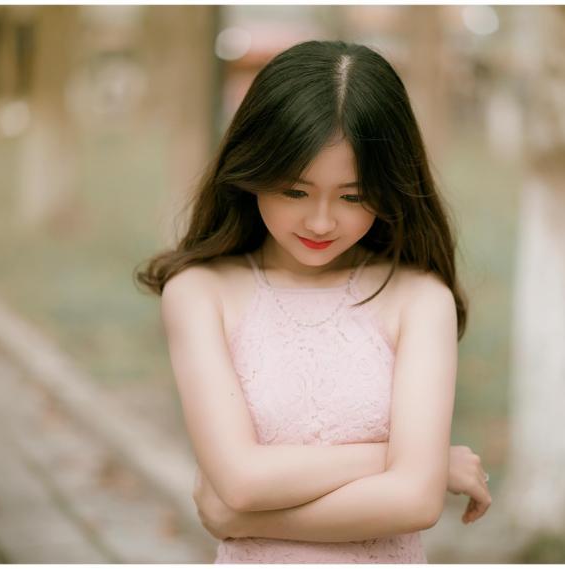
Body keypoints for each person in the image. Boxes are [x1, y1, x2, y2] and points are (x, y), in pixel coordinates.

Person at [135, 40, 491, 563]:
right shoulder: (201, 293)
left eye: (352, 196)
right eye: (295, 192)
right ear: (251, 168)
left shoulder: (418, 299)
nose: (322, 222)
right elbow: (239, 482)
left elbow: (415, 501)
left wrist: (240, 516)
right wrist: (422, 461)